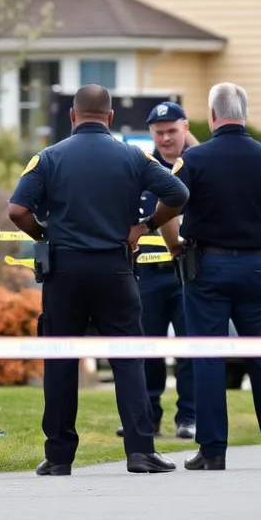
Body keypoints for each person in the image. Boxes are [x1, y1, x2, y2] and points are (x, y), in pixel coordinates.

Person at [8, 84, 189, 476]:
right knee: (127, 358)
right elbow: (177, 192)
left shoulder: (49, 158)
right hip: (115, 270)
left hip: (65, 272)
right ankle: (140, 451)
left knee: (60, 362)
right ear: (109, 117)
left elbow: (17, 209)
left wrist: (44, 235)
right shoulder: (132, 156)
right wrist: (144, 225)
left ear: (73, 117)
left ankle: (58, 457)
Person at [161, 82, 261, 471]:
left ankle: (212, 451)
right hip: (256, 270)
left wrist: (175, 246)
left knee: (209, 358)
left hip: (206, 270)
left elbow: (166, 208)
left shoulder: (194, 160)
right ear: (244, 112)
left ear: (211, 116)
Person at [115, 101, 196, 440]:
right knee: (147, 345)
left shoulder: (198, 164)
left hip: (188, 269)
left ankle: (189, 417)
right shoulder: (141, 167)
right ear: (151, 133)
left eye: (172, 131)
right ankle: (148, 416)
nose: (165, 138)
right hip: (148, 273)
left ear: (185, 127)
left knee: (190, 347)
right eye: (159, 132)